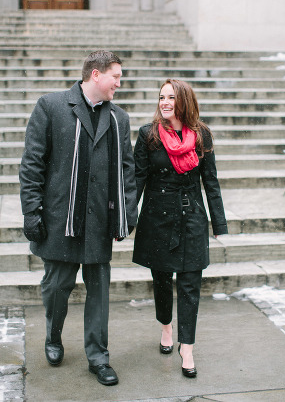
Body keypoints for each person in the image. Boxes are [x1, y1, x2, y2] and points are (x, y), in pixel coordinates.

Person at [19, 50, 137, 386]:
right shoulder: (51, 106)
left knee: (99, 292)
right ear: (96, 75)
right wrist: (32, 212)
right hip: (60, 219)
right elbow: (32, 165)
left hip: (101, 220)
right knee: (57, 287)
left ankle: (99, 357)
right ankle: (53, 336)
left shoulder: (119, 118)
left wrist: (127, 214)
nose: (119, 82)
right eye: (116, 76)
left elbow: (127, 170)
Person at [133, 78, 227, 378]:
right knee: (161, 279)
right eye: (161, 97)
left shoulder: (202, 136)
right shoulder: (148, 135)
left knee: (190, 285)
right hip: (158, 218)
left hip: (191, 218)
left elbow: (210, 181)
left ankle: (187, 347)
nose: (164, 102)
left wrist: (218, 223)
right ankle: (166, 326)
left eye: (171, 97)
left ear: (183, 101)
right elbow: (137, 178)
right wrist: (125, 216)